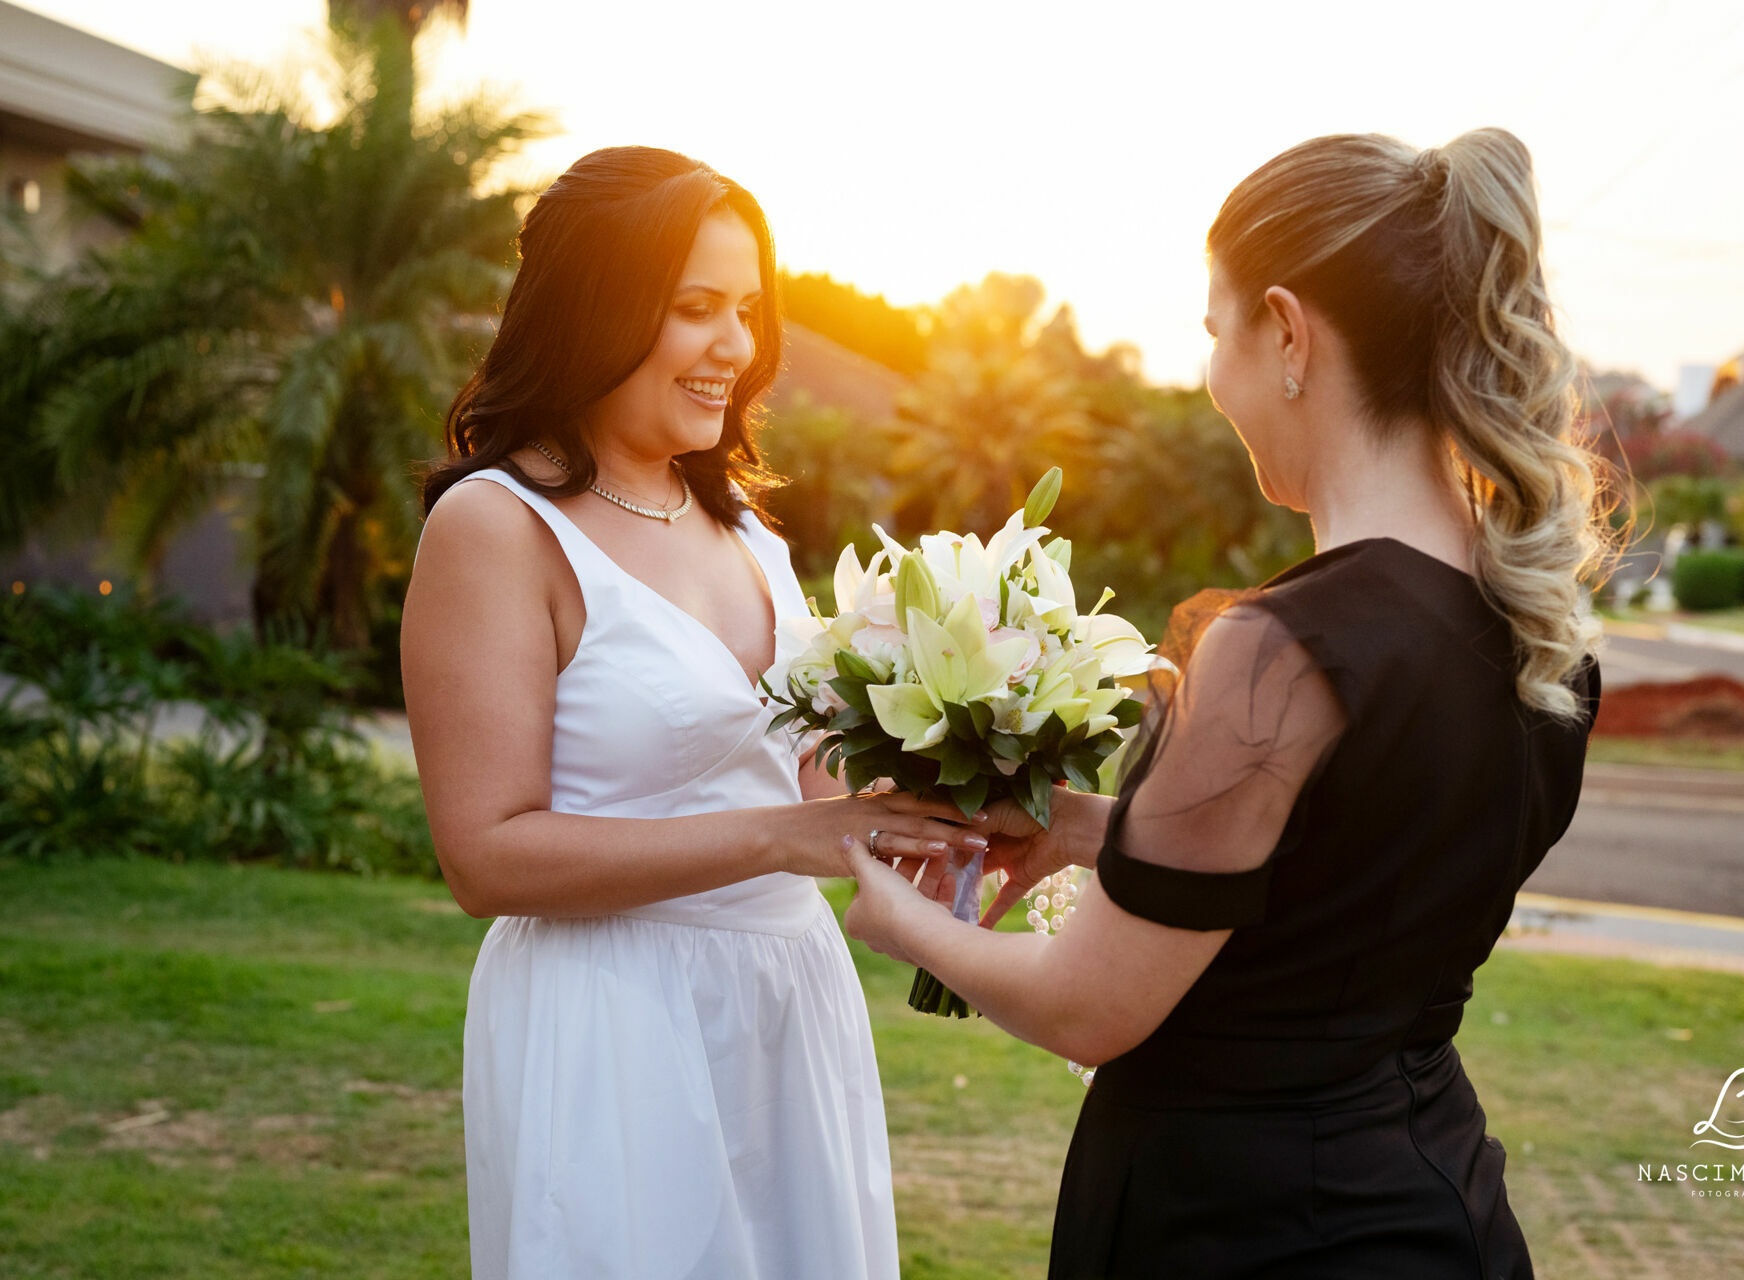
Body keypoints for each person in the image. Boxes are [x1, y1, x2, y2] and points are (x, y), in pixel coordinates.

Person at [841, 128, 1612, 1279]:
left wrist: (900, 918)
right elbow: (1342, 884)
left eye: (1215, 331)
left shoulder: (1277, 654)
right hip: (1435, 1203)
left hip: (1245, 1226)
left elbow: (1087, 1007)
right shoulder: (1539, 633)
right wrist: (1076, 830)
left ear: (1289, 334)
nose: (1211, 375)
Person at [401, 146, 985, 1280]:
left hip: (789, 1001)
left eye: (748, 311)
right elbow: (485, 857)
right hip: (613, 1018)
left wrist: (934, 802)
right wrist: (788, 837)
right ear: (596, 308)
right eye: (697, 308)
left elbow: (808, 781)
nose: (738, 347)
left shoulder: (748, 529)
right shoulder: (497, 527)